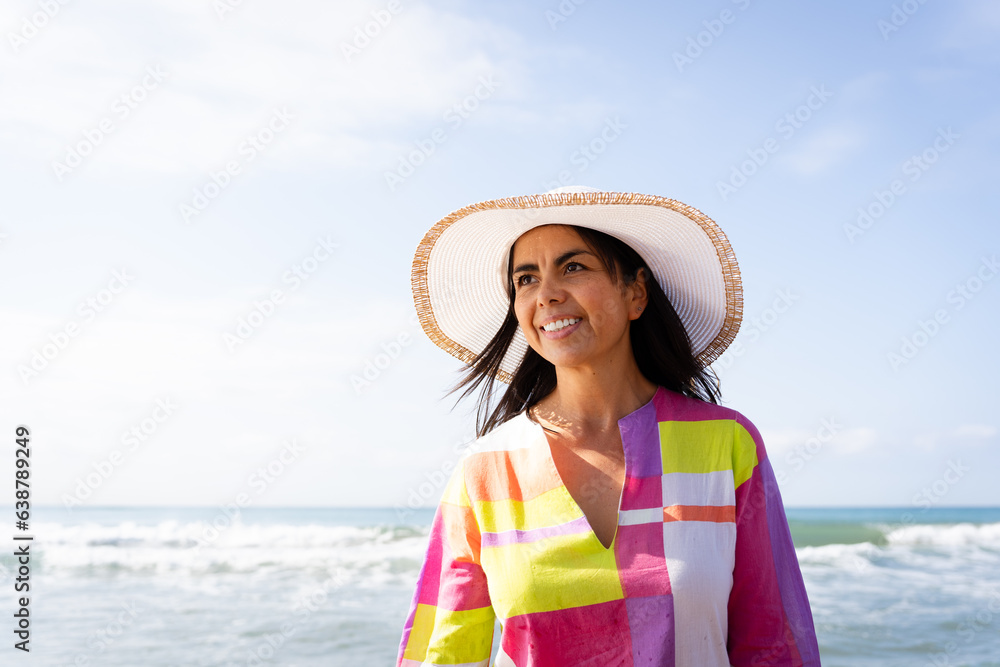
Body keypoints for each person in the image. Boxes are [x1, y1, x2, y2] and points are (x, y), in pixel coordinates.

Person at [397, 186, 820, 666]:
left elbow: (772, 641)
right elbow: (445, 651)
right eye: (526, 279)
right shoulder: (485, 469)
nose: (548, 293)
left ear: (636, 292)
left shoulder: (726, 445)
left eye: (573, 267)